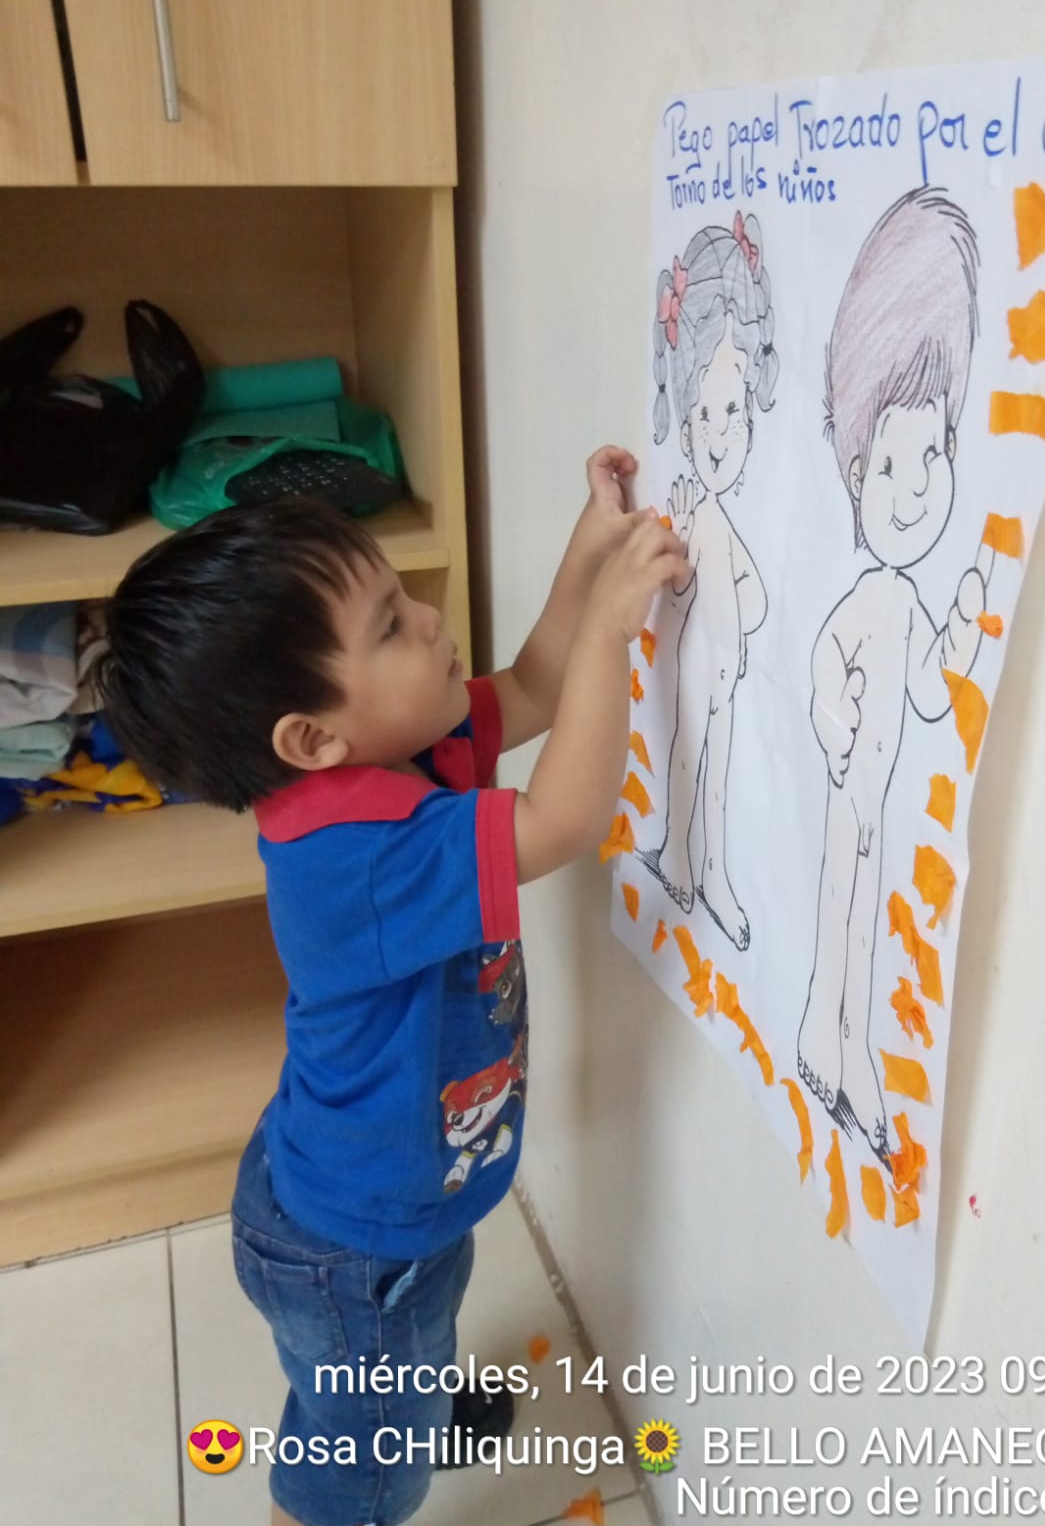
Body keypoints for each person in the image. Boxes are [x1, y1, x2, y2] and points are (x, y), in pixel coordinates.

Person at [99, 450, 683, 1526]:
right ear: (313, 737)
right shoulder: (358, 853)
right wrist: (613, 631)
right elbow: (562, 820)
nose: (427, 618)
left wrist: (591, 544)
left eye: (402, 597)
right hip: (352, 1241)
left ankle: (407, 1393)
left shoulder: (401, 745)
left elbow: (536, 684)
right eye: (389, 625)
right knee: (358, 1471)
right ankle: (369, 1456)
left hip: (368, 1192)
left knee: (412, 1321)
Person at [797, 187, 990, 1164]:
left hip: (875, 801)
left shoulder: (910, 606)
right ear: (855, 472)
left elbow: (926, 693)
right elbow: (824, 667)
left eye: (935, 452)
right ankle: (821, 1037)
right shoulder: (865, 600)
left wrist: (962, 633)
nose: (915, 489)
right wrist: (835, 724)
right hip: (849, 793)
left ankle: (846, 1047)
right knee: (838, 908)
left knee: (861, 918)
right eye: (890, 464)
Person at [642, 211, 778, 952]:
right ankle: (677, 852)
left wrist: (750, 615)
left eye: (733, 410)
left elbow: (751, 597)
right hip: (698, 665)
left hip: (728, 670)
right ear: (685, 421)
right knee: (687, 756)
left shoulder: (725, 523)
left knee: (717, 768)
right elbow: (682, 596)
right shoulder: (698, 516)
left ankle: (713, 871)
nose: (722, 433)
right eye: (705, 414)